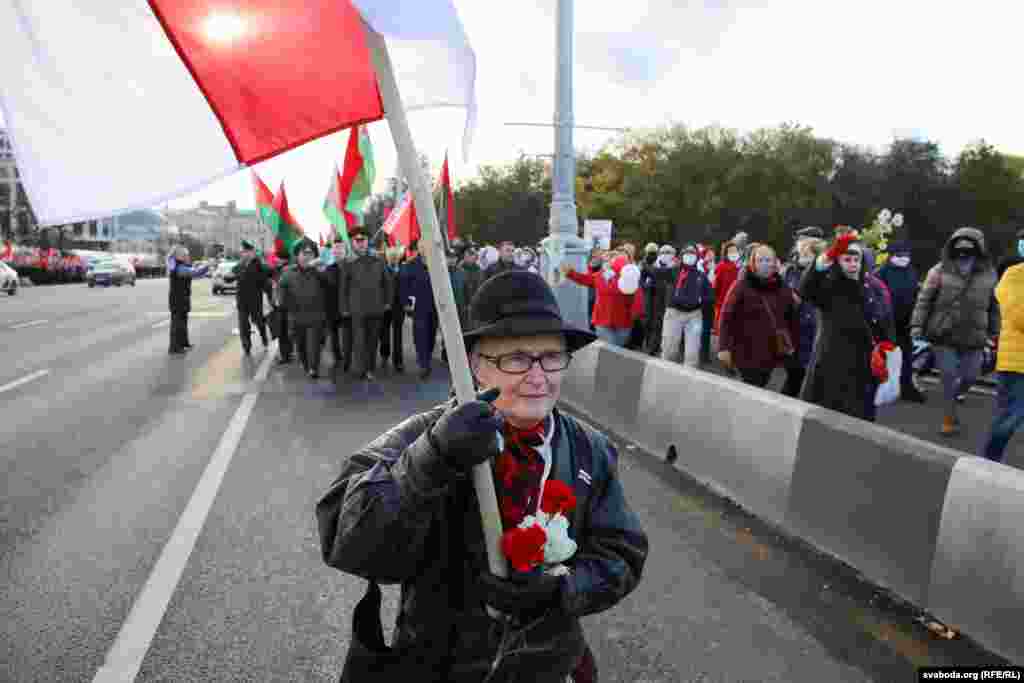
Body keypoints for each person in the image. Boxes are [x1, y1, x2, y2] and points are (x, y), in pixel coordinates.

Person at [316, 270, 648, 683]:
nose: (538, 375)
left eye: (551, 356)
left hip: (550, 665)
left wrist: (564, 589)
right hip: (439, 666)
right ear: (475, 366)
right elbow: (343, 537)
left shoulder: (589, 449)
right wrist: (431, 459)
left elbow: (623, 553)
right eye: (515, 358)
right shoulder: (422, 436)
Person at [911, 228, 1000, 436]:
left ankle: (957, 393)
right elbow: (924, 300)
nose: (964, 252)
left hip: (975, 336)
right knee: (948, 376)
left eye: (969, 247)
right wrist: (917, 325)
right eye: (960, 247)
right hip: (944, 334)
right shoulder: (938, 270)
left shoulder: (989, 274)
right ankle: (949, 419)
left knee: (970, 376)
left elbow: (995, 306)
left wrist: (995, 332)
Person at [800, 232, 894, 421]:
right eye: (846, 259)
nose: (852, 264)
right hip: (831, 367)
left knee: (859, 424)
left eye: (856, 259)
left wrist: (887, 349)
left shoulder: (871, 288)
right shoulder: (828, 287)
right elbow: (806, 288)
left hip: (863, 368)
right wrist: (827, 257)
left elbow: (883, 320)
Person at [717, 244, 799, 388]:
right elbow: (726, 316)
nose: (764, 264)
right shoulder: (741, 285)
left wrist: (792, 346)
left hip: (770, 352)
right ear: (753, 262)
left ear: (775, 263)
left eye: (768, 260)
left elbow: (791, 319)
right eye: (760, 260)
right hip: (745, 351)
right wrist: (723, 347)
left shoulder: (782, 287)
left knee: (761, 383)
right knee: (750, 387)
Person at [980, 262, 1024, 462]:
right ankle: (989, 460)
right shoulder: (1014, 275)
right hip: (1017, 361)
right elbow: (1018, 316)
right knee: (1011, 416)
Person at [876, 241, 926, 403]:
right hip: (886, 321)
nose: (904, 258)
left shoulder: (911, 271)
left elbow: (915, 293)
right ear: (891, 255)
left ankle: (906, 388)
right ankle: (878, 386)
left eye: (907, 255)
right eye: (900, 255)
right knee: (883, 355)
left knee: (906, 357)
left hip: (906, 322)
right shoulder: (882, 272)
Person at [340, 229, 393, 381]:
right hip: (356, 309)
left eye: (363, 240)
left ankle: (369, 368)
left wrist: (388, 301)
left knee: (372, 341)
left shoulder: (378, 259)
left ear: (367, 241)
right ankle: (361, 369)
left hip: (376, 307)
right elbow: (343, 288)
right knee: (359, 340)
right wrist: (344, 308)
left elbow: (387, 282)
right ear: (353, 243)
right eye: (357, 241)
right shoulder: (348, 263)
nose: (361, 243)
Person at [650, 244, 713, 367]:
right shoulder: (674, 270)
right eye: (687, 254)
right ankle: (666, 374)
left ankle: (689, 377)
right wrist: (654, 263)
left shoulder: (701, 275)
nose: (690, 256)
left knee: (692, 354)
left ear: (697, 257)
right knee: (669, 350)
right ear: (682, 256)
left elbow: (710, 297)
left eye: (693, 254)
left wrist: (700, 299)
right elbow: (656, 273)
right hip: (674, 313)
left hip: (694, 315)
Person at [562, 252, 638, 347]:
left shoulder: (630, 279)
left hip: (622, 323)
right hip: (603, 322)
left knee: (617, 351)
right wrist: (570, 273)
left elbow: (635, 299)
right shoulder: (601, 276)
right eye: (608, 260)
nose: (608, 262)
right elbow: (586, 279)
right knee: (610, 351)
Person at [780, 237, 825, 397]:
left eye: (807, 252)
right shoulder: (790, 271)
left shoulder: (824, 274)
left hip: (815, 328)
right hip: (793, 328)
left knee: (809, 375)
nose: (802, 256)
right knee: (795, 374)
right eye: (801, 252)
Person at [280, 239, 328, 379]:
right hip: (296, 316)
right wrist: (281, 300)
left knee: (313, 344)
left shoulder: (319, 271)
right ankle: (307, 365)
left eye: (311, 253)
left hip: (316, 316)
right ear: (297, 256)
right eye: (304, 253)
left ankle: (313, 368)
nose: (307, 256)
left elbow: (331, 284)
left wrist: (321, 270)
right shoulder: (288, 272)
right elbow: (281, 287)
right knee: (301, 346)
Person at [400, 240, 439, 379]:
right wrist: (406, 304)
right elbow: (404, 286)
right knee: (420, 335)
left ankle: (426, 356)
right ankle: (424, 364)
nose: (425, 249)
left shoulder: (437, 264)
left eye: (427, 246)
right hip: (419, 307)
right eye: (422, 247)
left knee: (431, 335)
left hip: (435, 307)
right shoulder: (410, 265)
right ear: (418, 249)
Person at [166, 245, 208, 355]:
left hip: (181, 298)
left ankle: (183, 343)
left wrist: (200, 266)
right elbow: (194, 273)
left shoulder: (179, 265)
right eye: (186, 255)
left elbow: (193, 270)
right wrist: (207, 266)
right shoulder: (179, 268)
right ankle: (175, 347)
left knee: (182, 322)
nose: (188, 256)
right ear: (179, 256)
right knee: (177, 324)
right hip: (178, 300)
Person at [233, 240, 271, 356]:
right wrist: (227, 277)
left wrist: (270, 295)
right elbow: (231, 275)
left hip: (255, 301)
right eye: (243, 252)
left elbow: (267, 276)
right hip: (242, 301)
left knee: (259, 322)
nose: (244, 254)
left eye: (247, 252)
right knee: (243, 325)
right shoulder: (239, 265)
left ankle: (264, 338)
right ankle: (246, 346)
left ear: (252, 252)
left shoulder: (259, 265)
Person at [322, 240, 349, 374]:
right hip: (332, 307)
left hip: (347, 307)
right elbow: (324, 289)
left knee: (347, 334)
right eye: (335, 250)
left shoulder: (350, 267)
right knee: (333, 335)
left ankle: (347, 358)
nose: (337, 252)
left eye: (340, 249)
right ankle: (337, 357)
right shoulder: (328, 269)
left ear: (345, 251)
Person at [642, 245, 675, 355]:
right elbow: (642, 279)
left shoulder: (675, 266)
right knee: (650, 322)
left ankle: (655, 347)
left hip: (667, 299)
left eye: (668, 252)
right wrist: (645, 286)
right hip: (652, 297)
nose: (666, 254)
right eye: (664, 252)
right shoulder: (652, 264)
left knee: (660, 323)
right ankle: (650, 344)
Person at [378, 245, 406, 373]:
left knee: (398, 333)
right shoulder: (382, 269)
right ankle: (384, 355)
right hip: (385, 305)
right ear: (388, 257)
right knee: (384, 332)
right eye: (392, 256)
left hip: (399, 305)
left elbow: (407, 286)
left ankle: (398, 361)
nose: (394, 258)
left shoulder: (403, 269)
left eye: (396, 256)